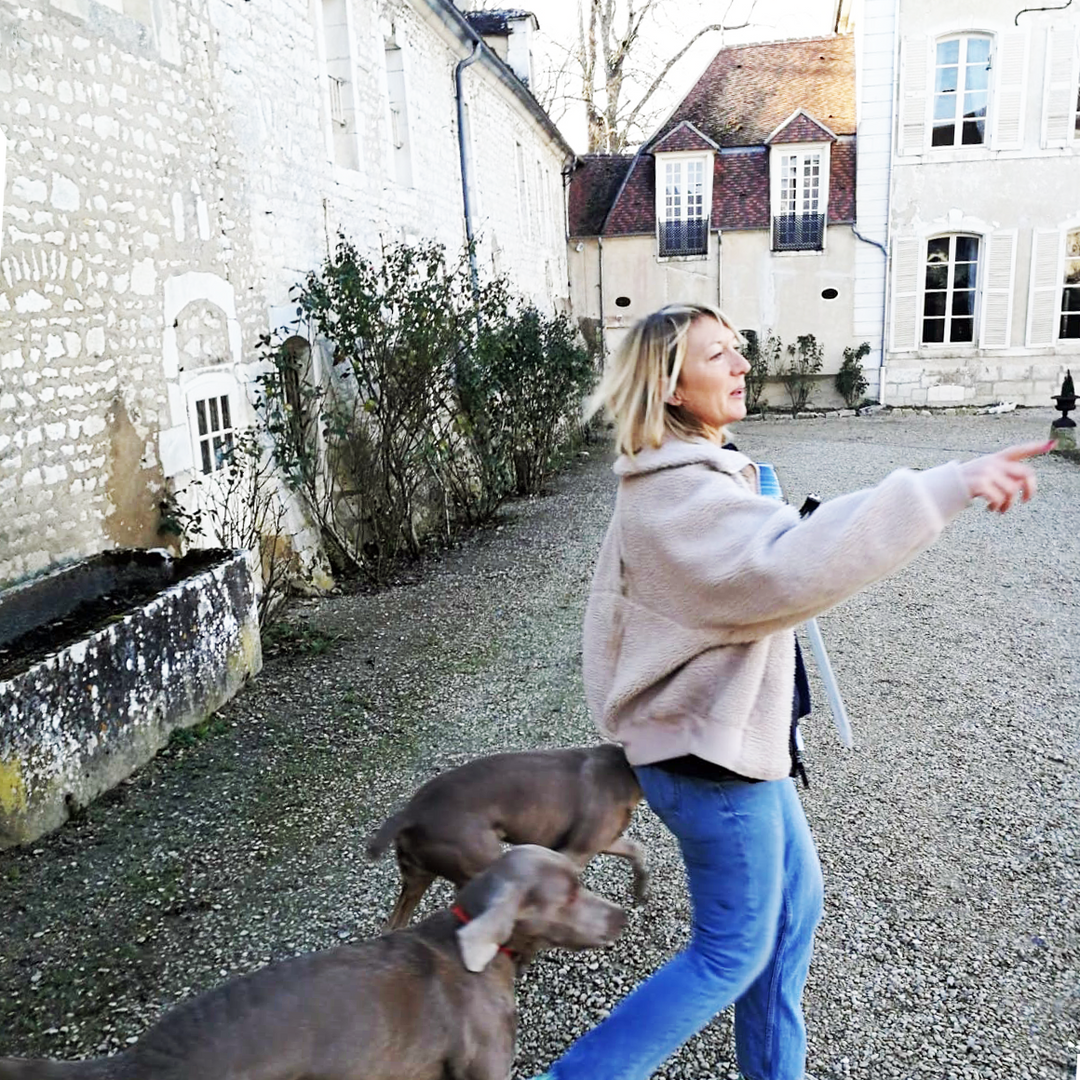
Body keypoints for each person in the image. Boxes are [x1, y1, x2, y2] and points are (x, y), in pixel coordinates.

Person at [527, 302, 1052, 1080]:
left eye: (738, 350)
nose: (742, 365)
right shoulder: (674, 495)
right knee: (729, 953)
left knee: (791, 916)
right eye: (719, 356)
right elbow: (785, 565)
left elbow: (780, 541)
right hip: (711, 765)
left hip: (737, 749)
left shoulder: (696, 472)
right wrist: (949, 483)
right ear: (671, 386)